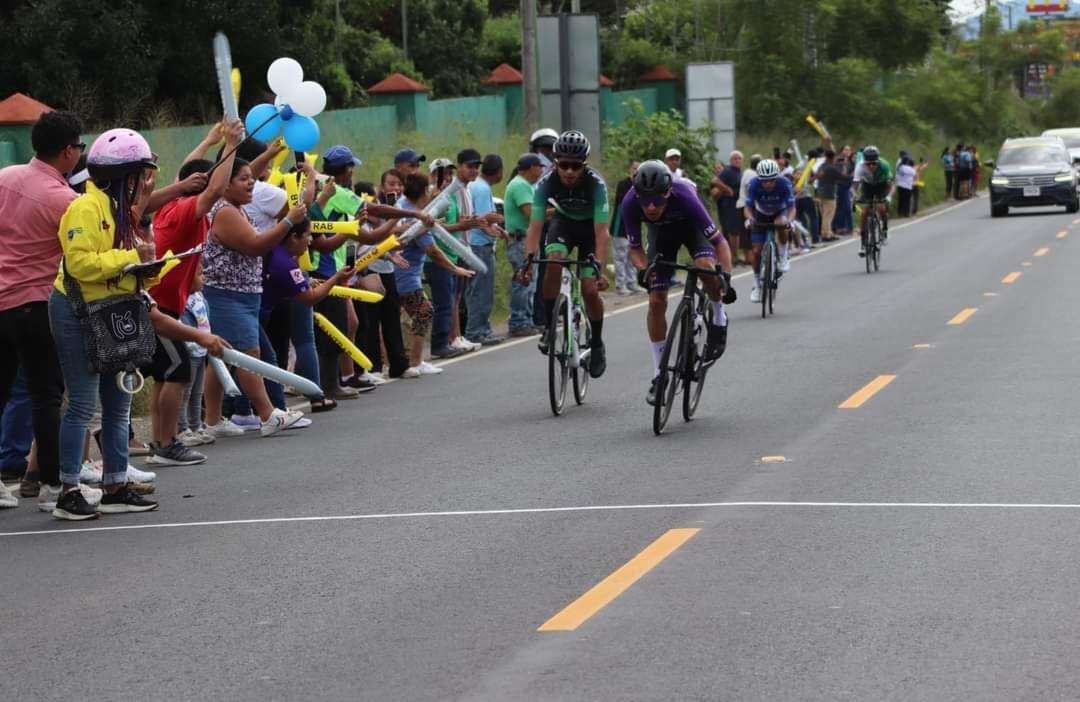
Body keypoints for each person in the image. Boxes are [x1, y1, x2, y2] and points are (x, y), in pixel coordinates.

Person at [50, 128, 228, 520]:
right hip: (77, 312)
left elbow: (133, 272)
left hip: (115, 311)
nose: (146, 184)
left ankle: (115, 484)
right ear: (122, 178)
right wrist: (130, 258)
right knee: (82, 402)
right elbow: (79, 264)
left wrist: (150, 265)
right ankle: (68, 490)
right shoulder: (84, 209)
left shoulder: (124, 214)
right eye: (141, 177)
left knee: (120, 402)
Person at [141, 118, 243, 466]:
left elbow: (188, 175)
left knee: (165, 373)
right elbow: (212, 189)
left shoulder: (171, 201)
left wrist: (207, 141)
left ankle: (160, 442)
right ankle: (168, 443)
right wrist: (230, 145)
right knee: (178, 370)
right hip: (157, 306)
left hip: (161, 303)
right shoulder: (187, 209)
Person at [0, 110, 85, 513]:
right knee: (46, 396)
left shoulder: (6, 177)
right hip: (36, 303)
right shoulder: (64, 200)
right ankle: (52, 485)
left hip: (1, 301)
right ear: (68, 151)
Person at [200, 156, 307, 436]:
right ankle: (267, 414)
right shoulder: (225, 212)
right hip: (227, 296)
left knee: (221, 357)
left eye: (253, 178)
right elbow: (256, 245)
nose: (251, 183)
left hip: (242, 296)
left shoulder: (236, 208)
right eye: (243, 179)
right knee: (250, 354)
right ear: (225, 185)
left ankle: (211, 420)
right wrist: (287, 222)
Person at [622, 161, 736, 405]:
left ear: (668, 192)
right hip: (662, 238)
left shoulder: (684, 193)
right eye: (645, 200)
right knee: (655, 302)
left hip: (693, 230)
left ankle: (718, 316)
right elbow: (635, 250)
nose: (651, 207)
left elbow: (720, 243)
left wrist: (725, 277)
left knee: (706, 268)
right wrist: (644, 269)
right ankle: (659, 375)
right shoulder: (631, 201)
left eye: (657, 200)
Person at [522, 130, 610, 378]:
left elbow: (602, 232)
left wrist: (599, 267)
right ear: (556, 163)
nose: (569, 171)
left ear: (584, 165)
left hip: (590, 229)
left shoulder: (596, 184)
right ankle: (550, 325)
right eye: (563, 165)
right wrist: (528, 260)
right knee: (553, 261)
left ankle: (597, 343)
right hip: (564, 224)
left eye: (575, 166)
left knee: (590, 289)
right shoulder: (546, 182)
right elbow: (535, 226)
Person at [396, 173, 477, 377]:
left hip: (400, 272)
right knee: (424, 311)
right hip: (405, 274)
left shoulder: (403, 205)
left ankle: (410, 360)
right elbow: (433, 251)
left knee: (411, 314)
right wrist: (455, 268)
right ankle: (415, 362)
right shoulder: (415, 215)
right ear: (423, 191)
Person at [464, 154, 507, 346]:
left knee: (477, 290)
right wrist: (492, 227)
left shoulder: (478, 186)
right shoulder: (481, 188)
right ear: (498, 172)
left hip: (476, 242)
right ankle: (477, 331)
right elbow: (482, 218)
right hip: (480, 245)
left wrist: (497, 229)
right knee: (481, 291)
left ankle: (478, 329)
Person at [743, 158, 796, 304]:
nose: (767, 184)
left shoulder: (784, 183)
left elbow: (792, 208)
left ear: (776, 178)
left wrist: (790, 221)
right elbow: (747, 208)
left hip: (779, 212)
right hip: (761, 214)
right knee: (757, 252)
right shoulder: (754, 184)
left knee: (782, 223)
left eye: (771, 180)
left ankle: (784, 255)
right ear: (759, 179)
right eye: (764, 181)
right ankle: (757, 286)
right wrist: (749, 219)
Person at [504, 153, 546, 332]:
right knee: (523, 280)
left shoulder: (524, 185)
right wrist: (556, 212)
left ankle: (526, 320)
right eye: (540, 167)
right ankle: (519, 321)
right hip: (520, 239)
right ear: (532, 168)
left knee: (529, 281)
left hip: (526, 238)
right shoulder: (520, 185)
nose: (541, 171)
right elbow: (531, 212)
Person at [853, 145, 896, 257]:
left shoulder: (884, 165)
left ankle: (885, 230)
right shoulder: (860, 167)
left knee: (882, 208)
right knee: (864, 213)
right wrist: (854, 197)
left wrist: (889, 197)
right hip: (867, 186)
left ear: (878, 161)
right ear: (864, 162)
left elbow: (892, 185)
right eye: (869, 164)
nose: (871, 166)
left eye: (874, 163)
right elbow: (856, 186)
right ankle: (863, 244)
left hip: (882, 185)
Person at [611, 160, 643, 293]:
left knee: (633, 255)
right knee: (621, 256)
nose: (636, 171)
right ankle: (620, 284)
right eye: (634, 168)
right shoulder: (624, 184)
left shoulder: (641, 185)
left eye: (639, 169)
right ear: (630, 169)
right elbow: (622, 204)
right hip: (621, 226)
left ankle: (632, 283)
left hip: (634, 227)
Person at [712, 151, 745, 266]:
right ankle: (732, 258)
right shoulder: (728, 171)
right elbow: (715, 181)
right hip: (729, 205)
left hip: (737, 204)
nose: (737, 160)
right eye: (735, 159)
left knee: (735, 232)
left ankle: (734, 257)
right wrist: (727, 189)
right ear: (731, 161)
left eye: (739, 158)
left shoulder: (739, 172)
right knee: (733, 232)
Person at [814, 149, 842, 241]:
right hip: (829, 193)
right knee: (828, 215)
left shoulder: (822, 166)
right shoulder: (831, 168)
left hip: (820, 192)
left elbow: (818, 176)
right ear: (832, 158)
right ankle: (826, 234)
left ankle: (828, 232)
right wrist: (843, 166)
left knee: (824, 214)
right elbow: (842, 176)